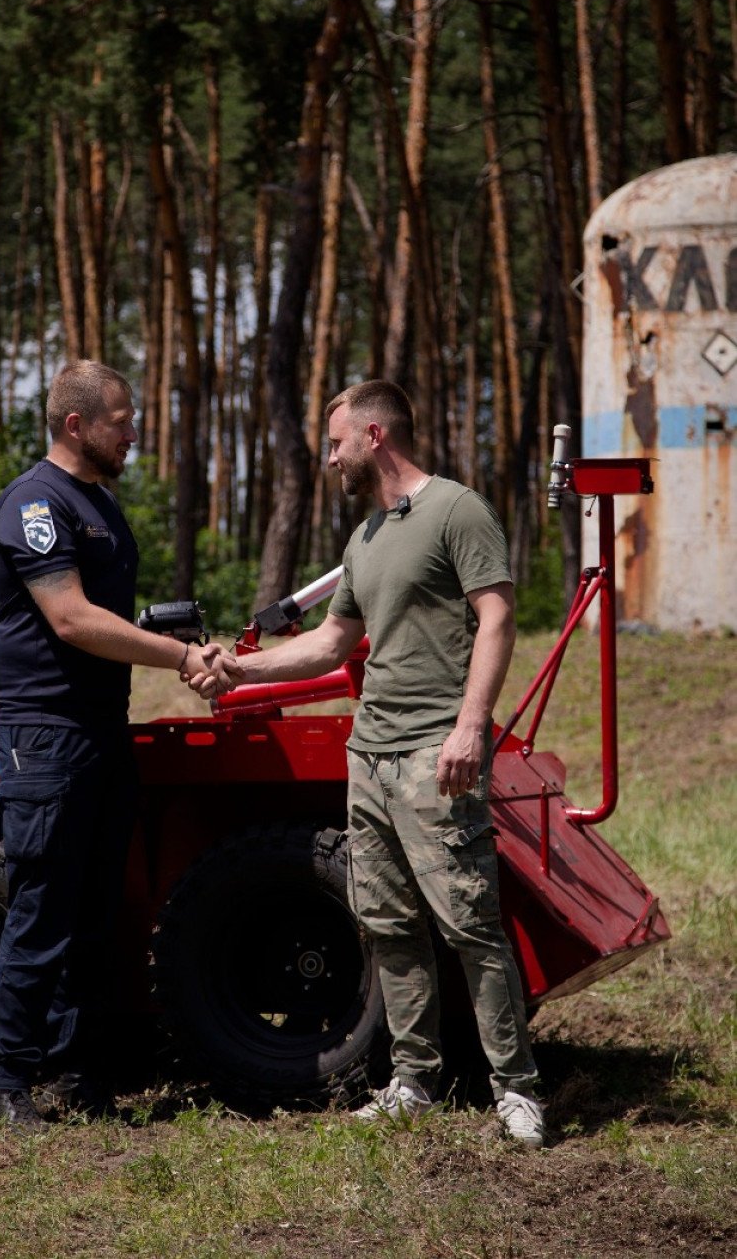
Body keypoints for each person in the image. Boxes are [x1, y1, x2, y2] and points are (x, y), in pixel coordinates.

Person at [190, 379, 545, 1147]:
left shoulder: (458, 510)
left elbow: (499, 617)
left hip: (433, 751)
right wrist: (237, 669)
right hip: (371, 756)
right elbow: (328, 643)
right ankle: (413, 1080)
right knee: (387, 924)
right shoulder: (366, 537)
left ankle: (516, 1090)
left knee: (470, 925)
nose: (331, 457)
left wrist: (470, 727)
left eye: (338, 440)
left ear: (376, 435)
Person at [0, 359, 232, 1132]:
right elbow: (72, 620)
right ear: (75, 426)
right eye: (122, 419)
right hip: (43, 734)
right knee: (43, 908)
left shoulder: (101, 506)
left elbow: (114, 622)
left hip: (98, 732)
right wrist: (182, 658)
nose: (134, 432)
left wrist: (185, 638)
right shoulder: (35, 503)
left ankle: (75, 1075)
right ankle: (4, 1084)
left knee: (93, 911)